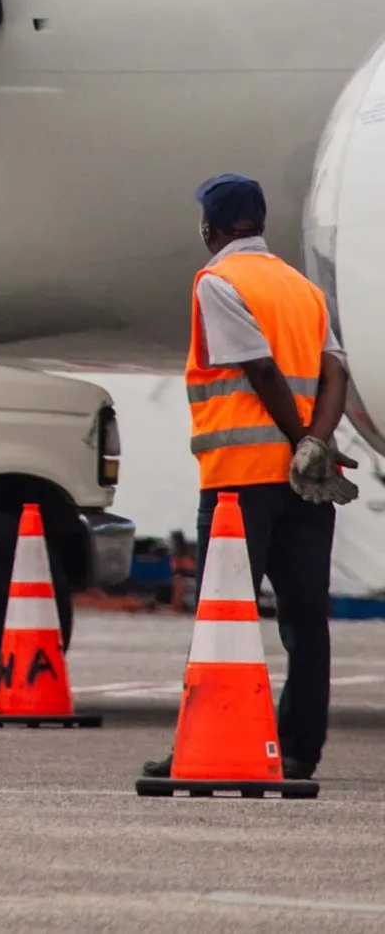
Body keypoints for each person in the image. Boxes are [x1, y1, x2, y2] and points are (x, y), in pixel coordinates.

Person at [140, 175, 356, 785]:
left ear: (209, 228)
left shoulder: (217, 282)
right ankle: (297, 752)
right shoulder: (304, 290)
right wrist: (316, 444)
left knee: (222, 615)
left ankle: (202, 745)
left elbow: (259, 367)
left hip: (241, 482)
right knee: (306, 619)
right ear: (258, 224)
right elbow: (335, 373)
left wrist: (296, 441)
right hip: (308, 484)